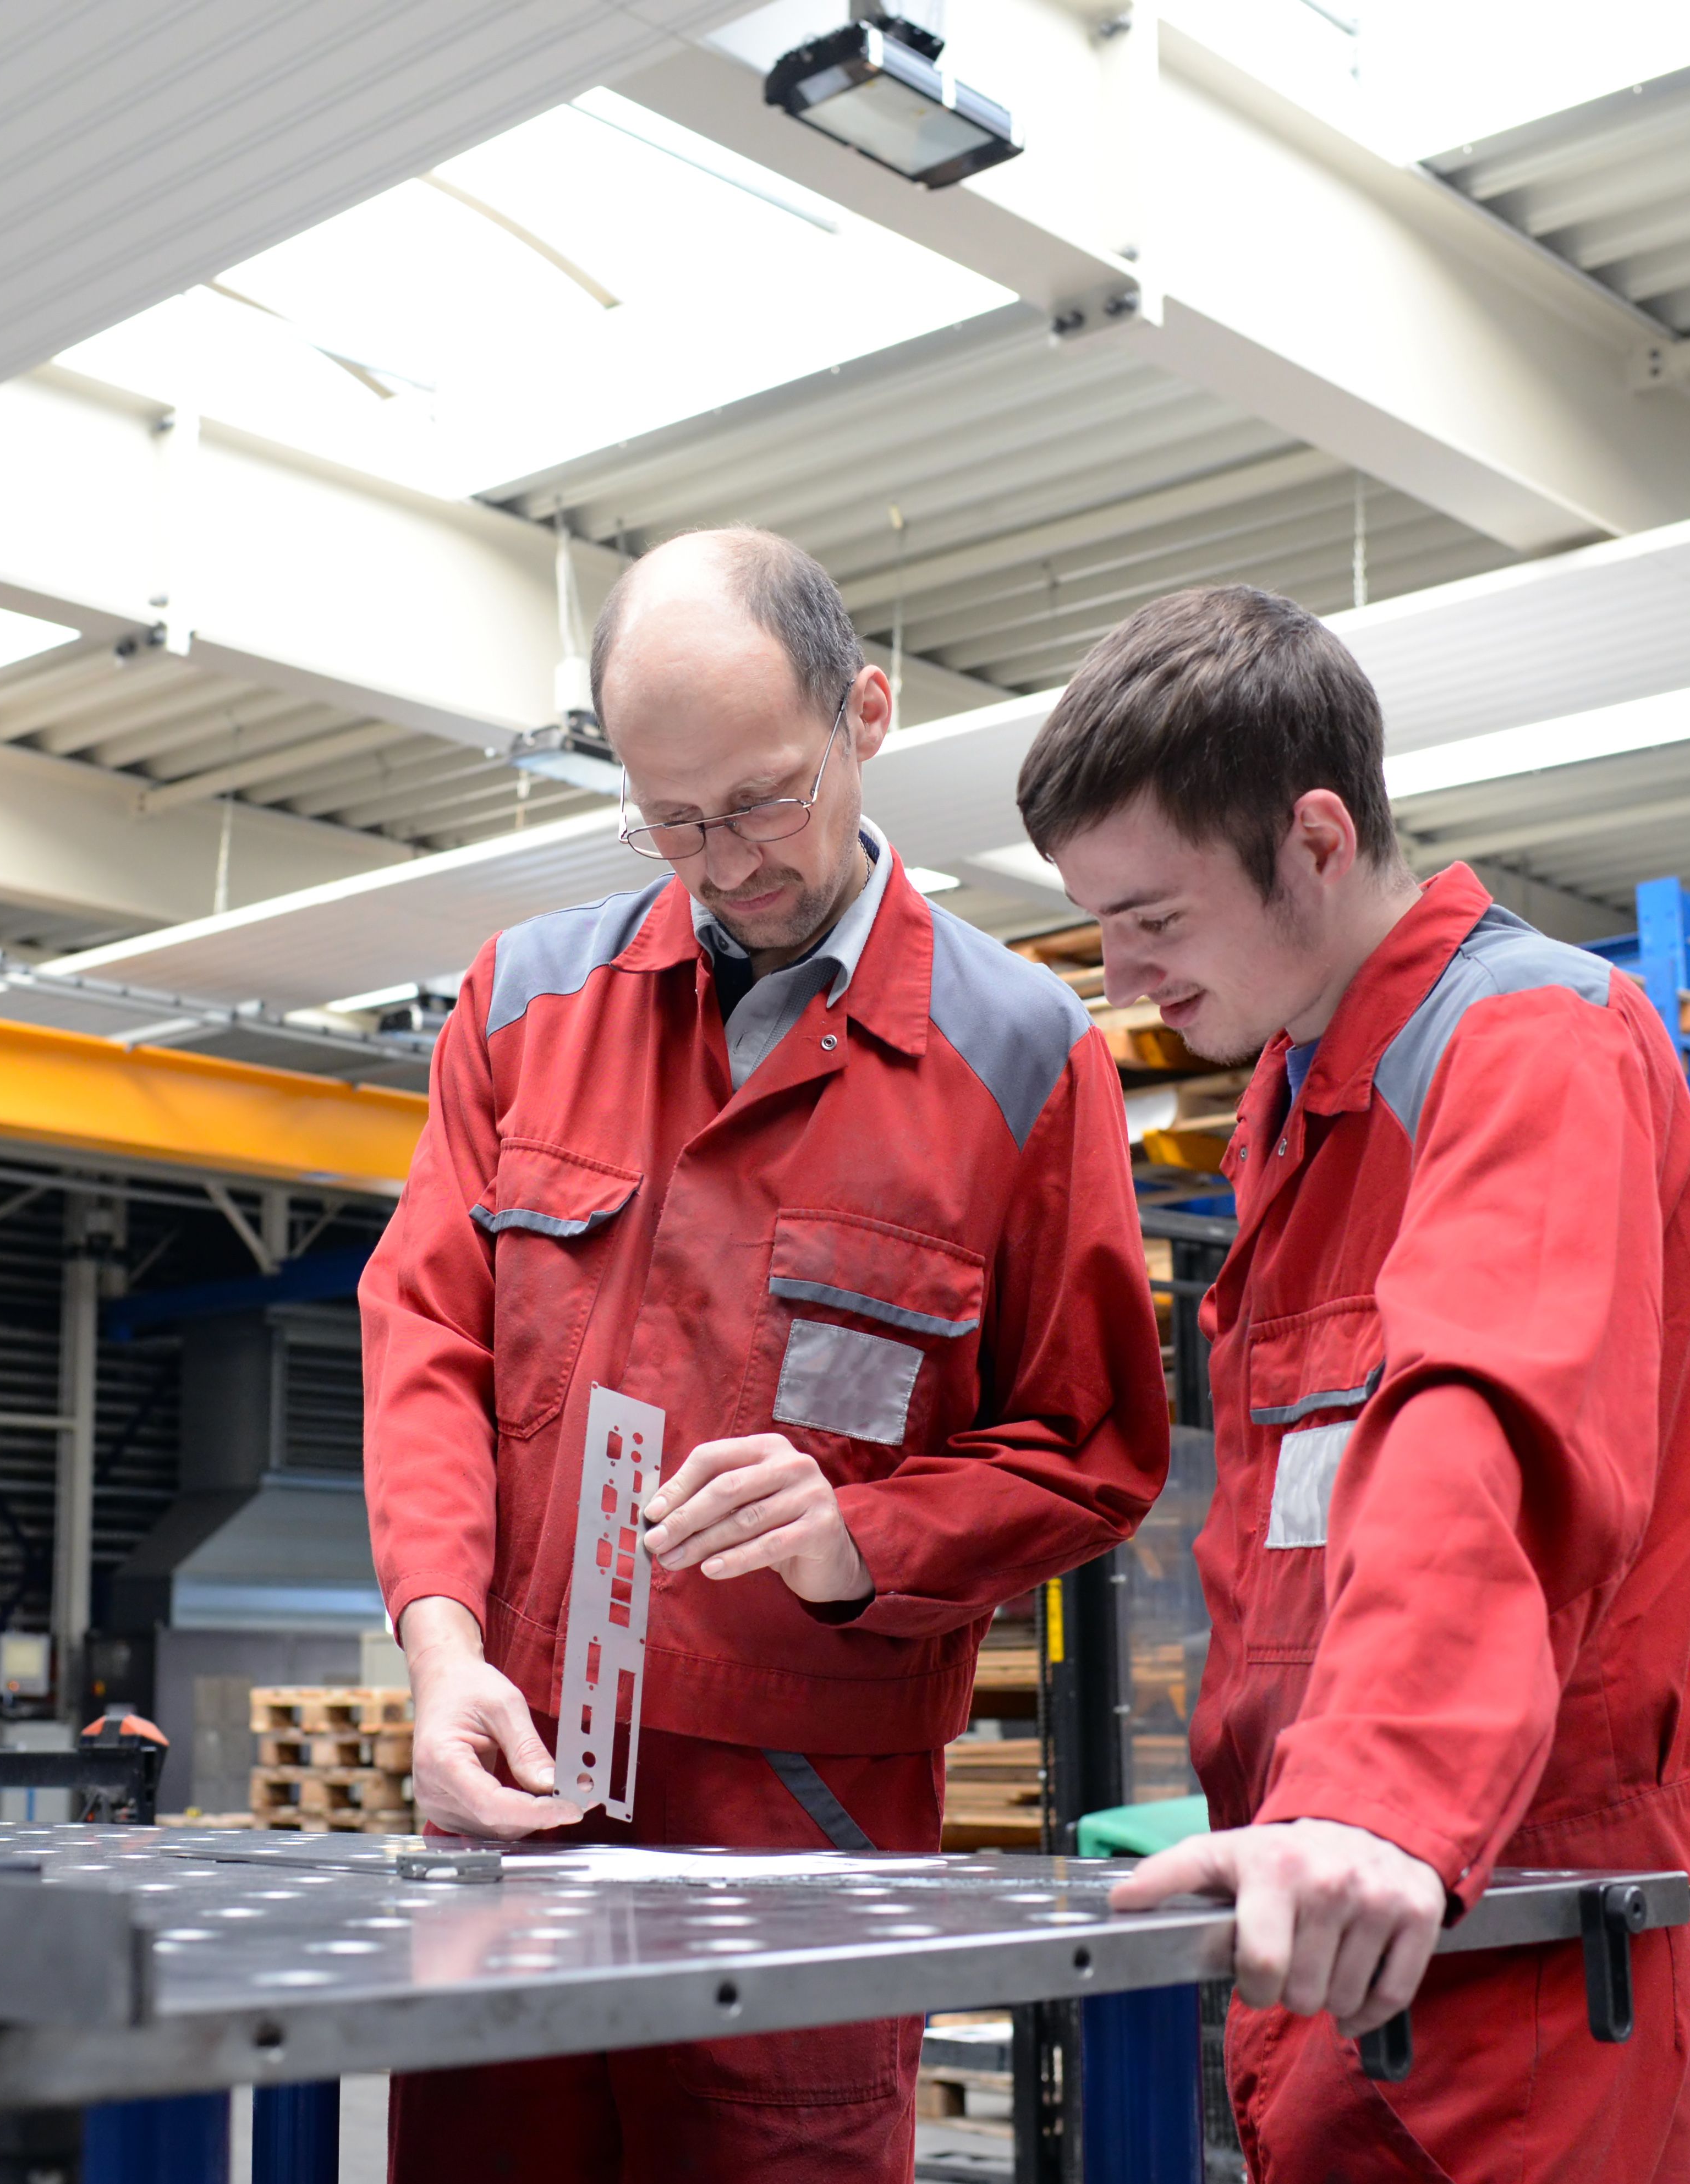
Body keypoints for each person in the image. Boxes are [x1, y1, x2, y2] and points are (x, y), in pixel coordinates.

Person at [361, 526, 1169, 2179]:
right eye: (671, 818)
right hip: (517, 1784)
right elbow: (426, 1334)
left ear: (865, 714)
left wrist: (854, 1535)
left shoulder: (1020, 1059)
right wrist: (444, 1659)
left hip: (801, 1828)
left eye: (761, 797)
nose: (723, 861)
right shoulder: (524, 1003)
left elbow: (1089, 1450)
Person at [1013, 586, 1690, 2182]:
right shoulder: (1294, 1095)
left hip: (1509, 1953)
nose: (1124, 982)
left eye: (1155, 919)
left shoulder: (1526, 1039)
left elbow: (1487, 1417)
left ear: (1316, 837)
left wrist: (1377, 1796)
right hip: (1337, 1917)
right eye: (1100, 931)